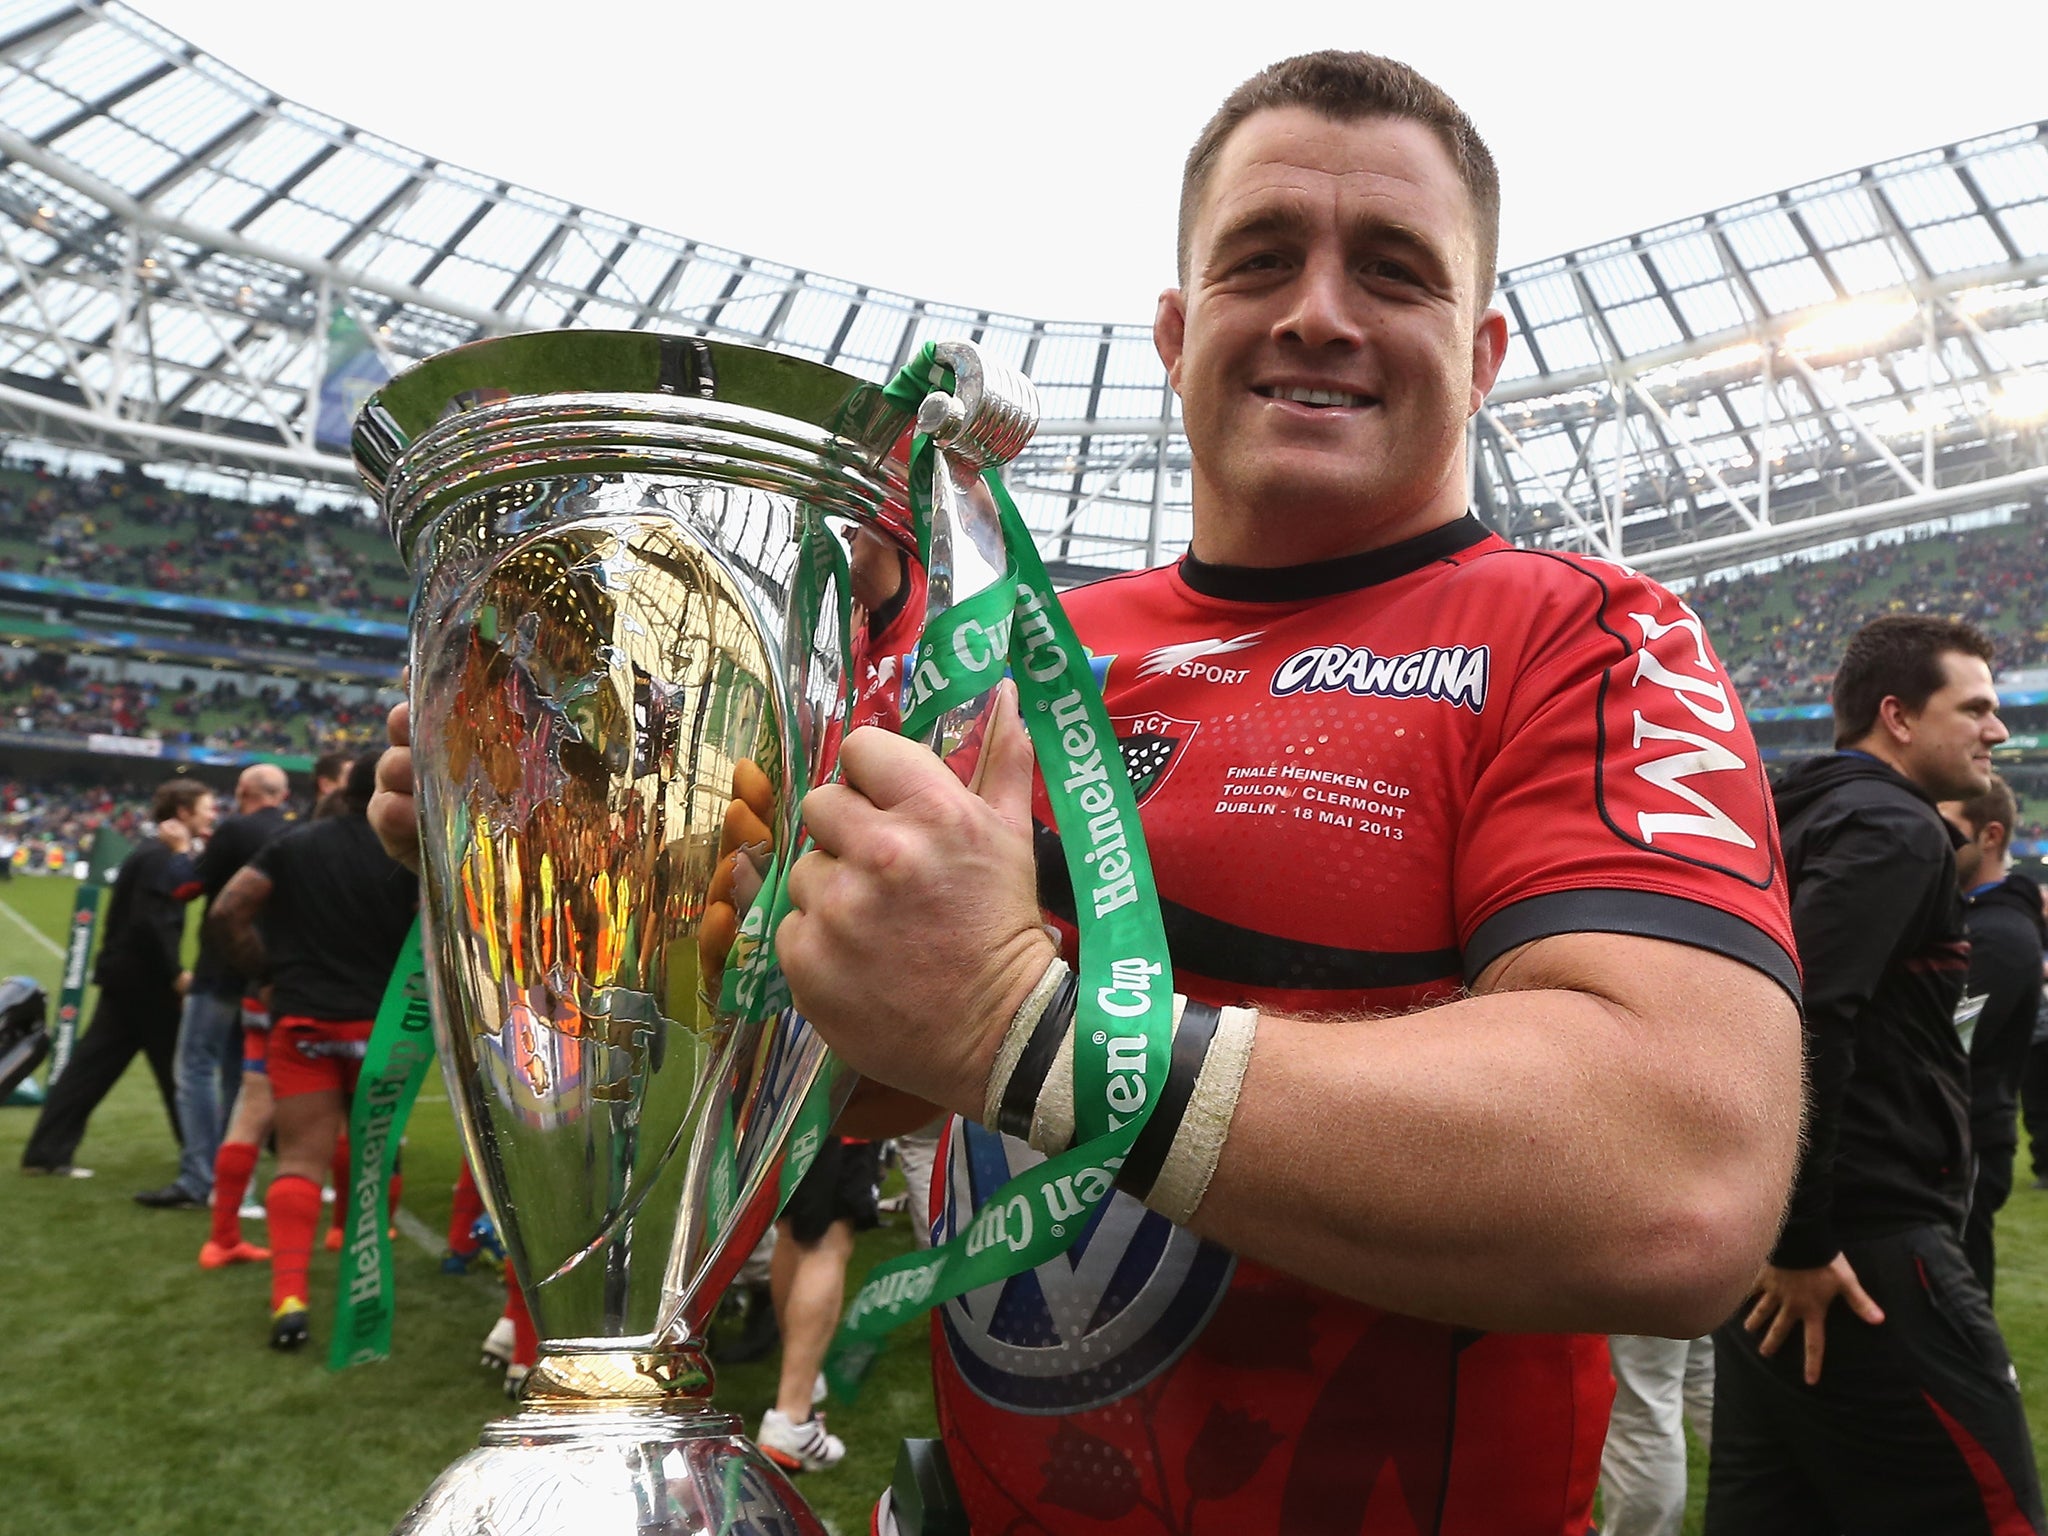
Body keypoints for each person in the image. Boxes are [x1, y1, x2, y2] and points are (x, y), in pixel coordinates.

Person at [377, 53, 1803, 1534]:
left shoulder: (1588, 635)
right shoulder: (1012, 662)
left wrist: (1027, 1029)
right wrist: (575, 873)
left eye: (1395, 271)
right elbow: (861, 1073)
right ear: (1178, 335)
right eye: (1263, 261)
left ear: (1486, 351)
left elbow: (1677, 1177)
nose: (1321, 310)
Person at [1708, 616, 2042, 1533]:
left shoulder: (1783, 820)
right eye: (1974, 707)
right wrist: (1805, 1236)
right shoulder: (1895, 826)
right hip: (1860, 1254)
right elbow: (1804, 1014)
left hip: (1765, 1246)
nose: (1999, 730)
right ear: (1897, 717)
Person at [208, 753, 417, 1349]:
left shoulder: (294, 844)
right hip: (378, 1027)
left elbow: (227, 911)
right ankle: (355, 1254)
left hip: (302, 1023)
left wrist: (267, 970)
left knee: (299, 1159)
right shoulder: (405, 857)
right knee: (370, 1148)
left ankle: (290, 1299)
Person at [20, 779, 216, 1177]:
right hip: (146, 981)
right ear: (183, 813)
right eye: (207, 807)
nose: (213, 814)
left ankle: (46, 1152)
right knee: (181, 1071)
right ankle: (204, 1159)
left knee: (96, 1069)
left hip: (128, 978)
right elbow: (151, 922)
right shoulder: (160, 857)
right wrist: (175, 974)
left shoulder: (152, 853)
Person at [135, 763, 292, 1210]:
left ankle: (200, 1176)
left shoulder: (236, 830)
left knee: (195, 1069)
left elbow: (185, 888)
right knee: (240, 1077)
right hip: (267, 975)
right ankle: (234, 1181)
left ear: (243, 792)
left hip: (221, 969)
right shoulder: (295, 832)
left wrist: (181, 851)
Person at [1940, 772, 2045, 1300]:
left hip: (1965, 1144)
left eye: (1944, 824)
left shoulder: (2000, 935)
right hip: (1938, 1138)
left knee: (1956, 1302)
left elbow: (1947, 1042)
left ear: (1990, 836)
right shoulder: (1965, 919)